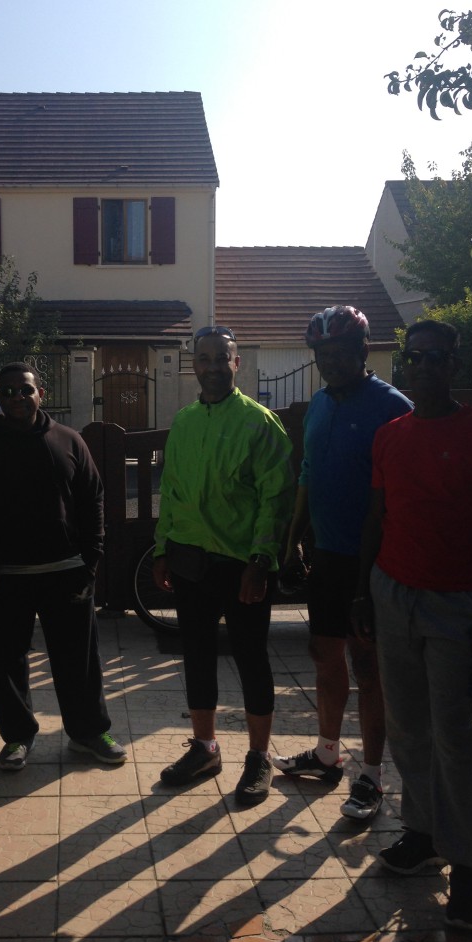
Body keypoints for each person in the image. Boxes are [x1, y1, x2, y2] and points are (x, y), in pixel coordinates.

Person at [354, 319, 472, 930]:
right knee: (408, 727)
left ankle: (467, 866)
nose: (423, 367)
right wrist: (363, 593)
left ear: (454, 366)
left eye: (436, 357)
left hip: (457, 603)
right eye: (414, 357)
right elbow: (377, 517)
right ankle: (422, 833)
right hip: (392, 592)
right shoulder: (390, 435)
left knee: (456, 736)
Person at [274, 307, 412, 820]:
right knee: (323, 652)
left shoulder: (392, 406)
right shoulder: (319, 403)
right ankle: (327, 754)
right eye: (321, 354)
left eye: (339, 353)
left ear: (362, 351)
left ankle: (372, 775)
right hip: (328, 555)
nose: (329, 362)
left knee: (368, 666)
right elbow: (308, 473)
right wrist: (293, 542)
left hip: (374, 560)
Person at [153, 326, 293, 806]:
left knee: (251, 658)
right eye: (204, 358)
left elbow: (276, 499)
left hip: (241, 565)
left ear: (237, 363)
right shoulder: (184, 422)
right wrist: (161, 548)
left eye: (221, 357)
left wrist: (261, 560)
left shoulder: (260, 422)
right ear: (194, 363)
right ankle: (205, 748)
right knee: (196, 655)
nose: (212, 366)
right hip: (190, 560)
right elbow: (170, 490)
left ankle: (259, 757)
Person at [0, 362, 126, 771]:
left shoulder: (68, 440)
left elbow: (93, 498)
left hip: (66, 571)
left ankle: (88, 732)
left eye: (25, 390)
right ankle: (17, 737)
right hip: (7, 575)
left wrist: (91, 558)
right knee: (6, 662)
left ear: (41, 393)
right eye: (8, 392)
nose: (17, 398)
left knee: (78, 659)